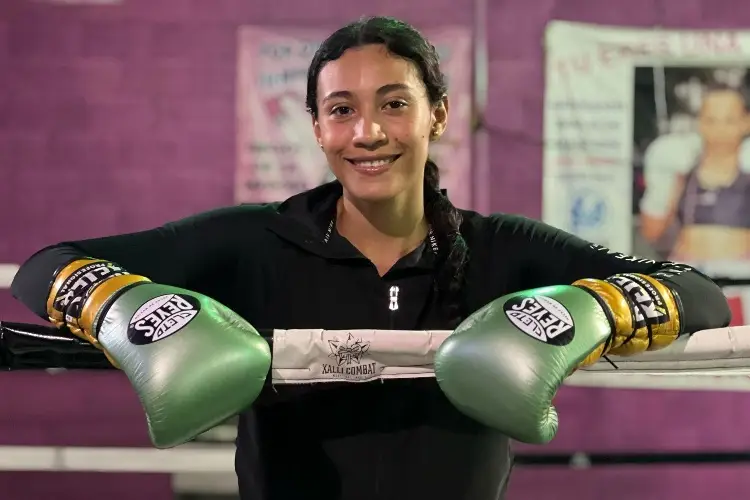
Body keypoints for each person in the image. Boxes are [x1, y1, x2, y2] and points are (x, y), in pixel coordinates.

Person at [10, 16, 731, 500]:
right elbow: (51, 264)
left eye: (393, 104)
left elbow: (692, 290)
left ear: (437, 114)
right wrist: (130, 311)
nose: (368, 132)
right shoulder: (255, 242)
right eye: (342, 110)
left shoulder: (500, 249)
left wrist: (590, 310)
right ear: (318, 130)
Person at [639, 84, 750, 263]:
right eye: (711, 120)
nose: (720, 129)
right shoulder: (679, 167)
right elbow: (651, 232)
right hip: (690, 274)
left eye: (729, 120)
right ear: (700, 123)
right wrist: (663, 190)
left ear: (746, 122)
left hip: (742, 278)